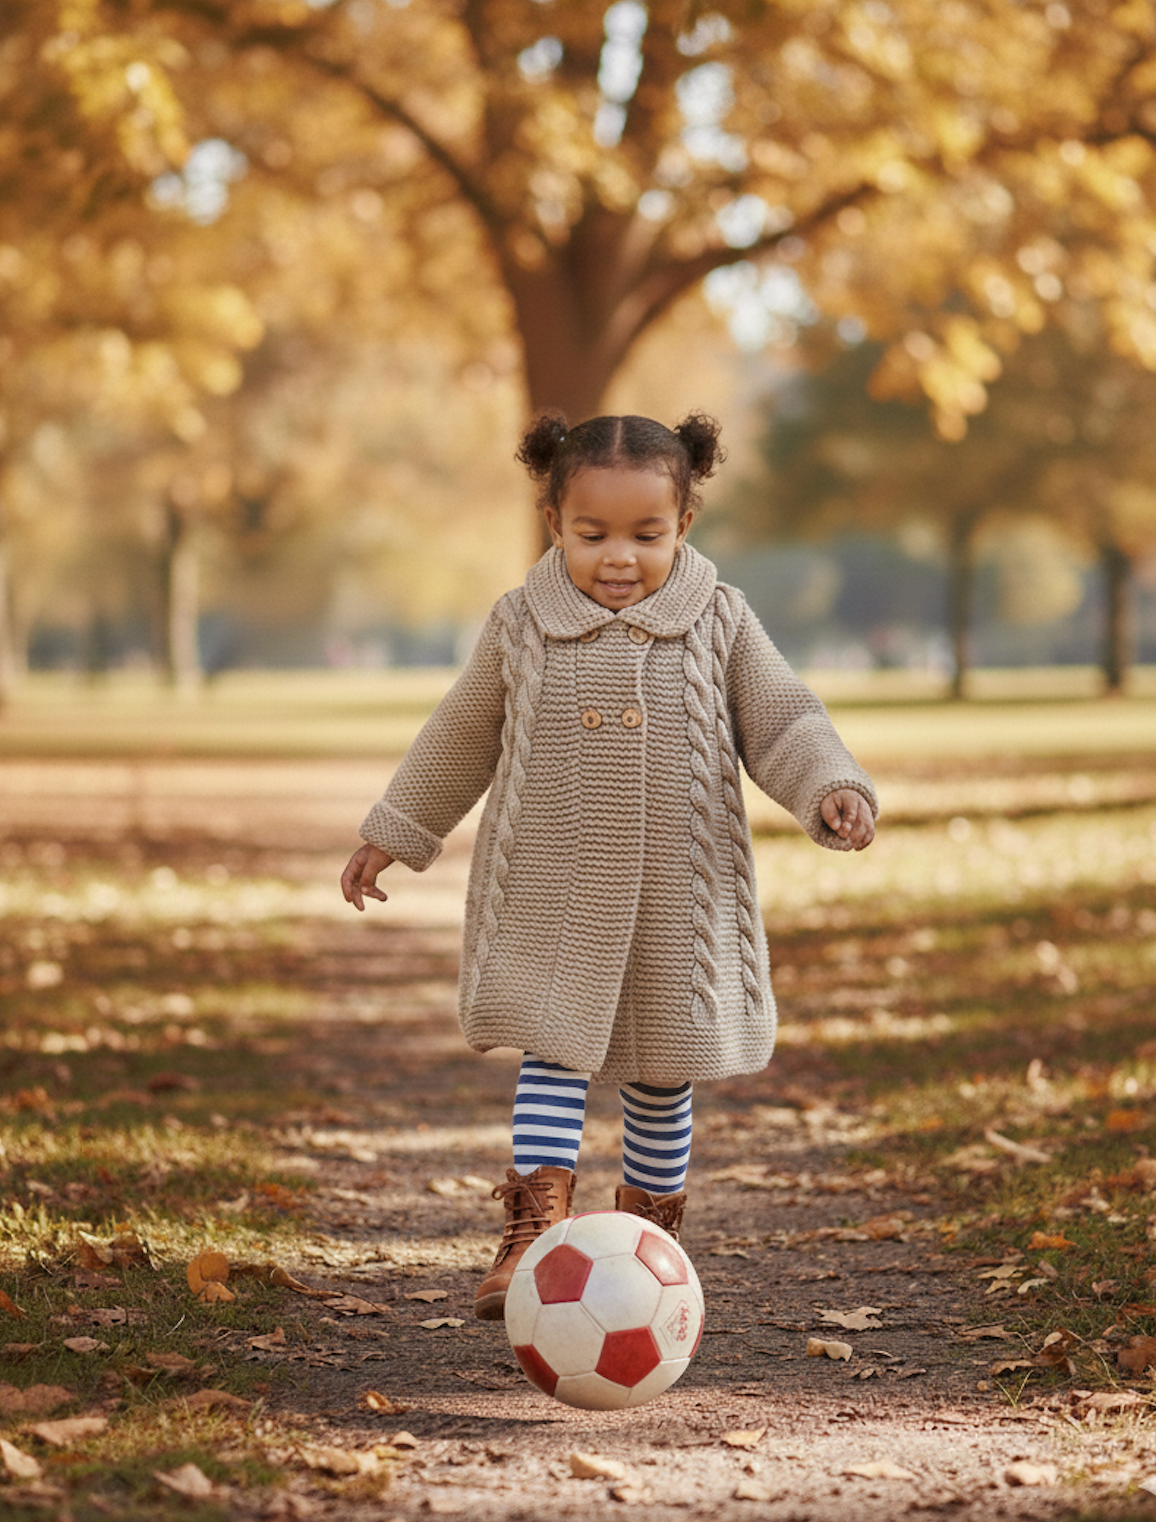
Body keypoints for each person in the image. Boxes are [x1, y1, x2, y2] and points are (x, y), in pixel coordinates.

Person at [341, 411, 877, 1321]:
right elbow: (461, 735)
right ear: (555, 523)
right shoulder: (521, 624)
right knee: (551, 1057)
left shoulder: (719, 619)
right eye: (591, 535)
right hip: (554, 893)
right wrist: (397, 827)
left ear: (684, 527)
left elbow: (783, 718)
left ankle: (650, 1240)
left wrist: (829, 783)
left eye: (645, 534)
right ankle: (534, 1231)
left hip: (678, 900)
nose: (618, 557)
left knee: (661, 1079)